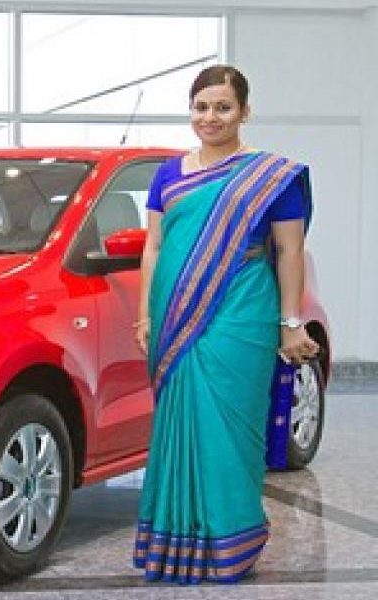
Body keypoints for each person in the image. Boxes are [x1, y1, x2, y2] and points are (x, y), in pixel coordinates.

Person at [132, 65, 320, 583]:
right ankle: (175, 544)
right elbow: (154, 246)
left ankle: (230, 543)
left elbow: (289, 250)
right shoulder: (168, 174)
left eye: (222, 107)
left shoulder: (271, 176)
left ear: (244, 112)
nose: (210, 117)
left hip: (242, 308)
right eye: (201, 107)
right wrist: (146, 312)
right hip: (173, 311)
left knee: (229, 426)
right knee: (178, 421)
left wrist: (290, 322)